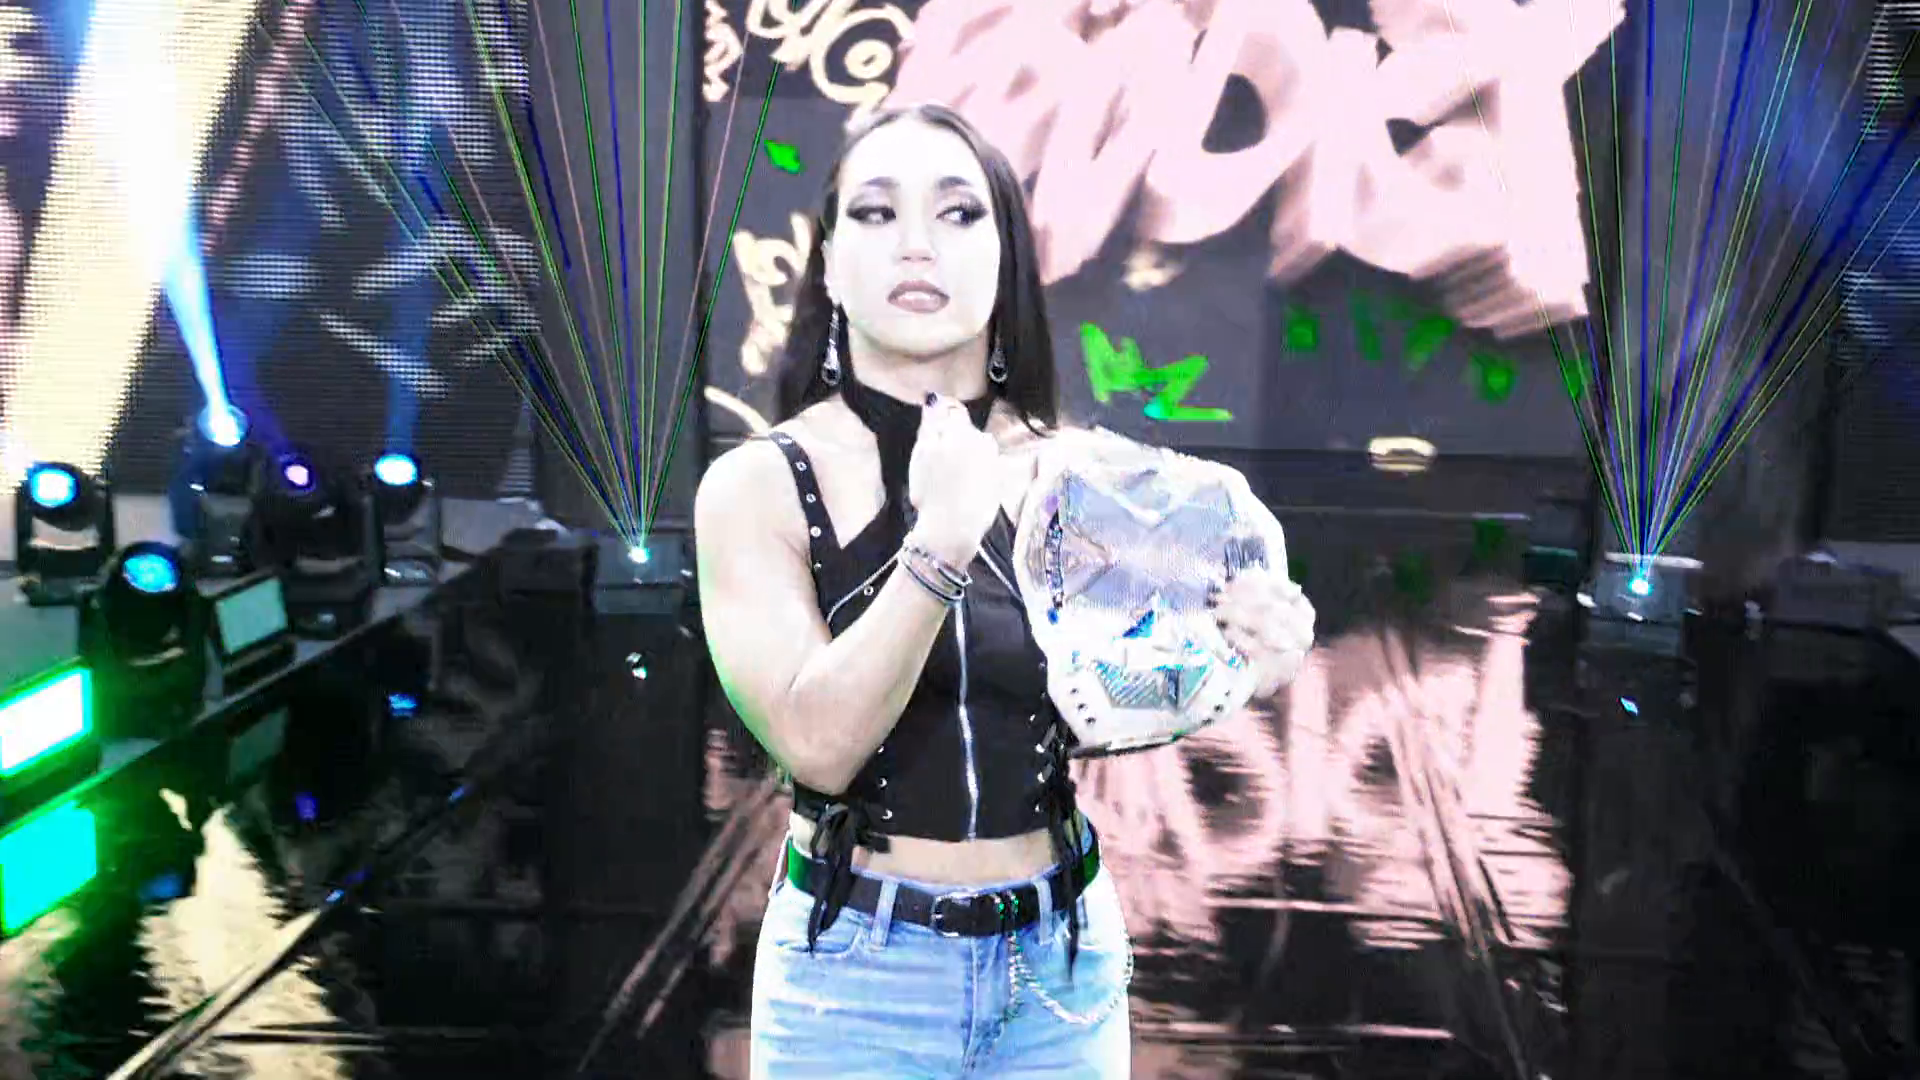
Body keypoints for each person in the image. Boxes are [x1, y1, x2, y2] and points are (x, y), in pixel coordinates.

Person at [695, 102, 1316, 1078]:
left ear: (1005, 260)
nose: (917, 243)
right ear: (831, 265)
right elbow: (817, 744)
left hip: (1059, 972)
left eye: (957, 213)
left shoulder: (1086, 480)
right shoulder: (757, 487)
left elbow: (1104, 701)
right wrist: (939, 546)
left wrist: (1243, 658)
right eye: (876, 212)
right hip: (858, 982)